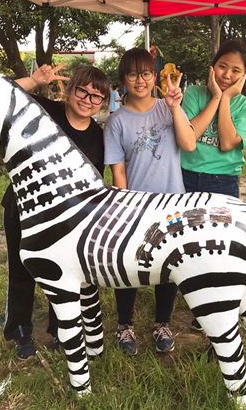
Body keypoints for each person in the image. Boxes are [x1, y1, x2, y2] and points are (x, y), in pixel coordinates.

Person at [3, 64, 109, 359]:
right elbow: (4, 93)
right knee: (22, 271)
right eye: (82, 91)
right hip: (24, 209)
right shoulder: (46, 111)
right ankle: (21, 331)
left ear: (103, 102)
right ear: (70, 88)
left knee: (64, 272)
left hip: (68, 218)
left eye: (96, 96)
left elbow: (95, 184)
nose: (87, 99)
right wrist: (36, 81)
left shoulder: (99, 136)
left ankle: (60, 330)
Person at [103, 47, 196, 355]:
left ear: (154, 77)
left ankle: (162, 323)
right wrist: (123, 208)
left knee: (168, 264)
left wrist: (174, 107)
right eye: (133, 74)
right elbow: (119, 171)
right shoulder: (116, 121)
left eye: (145, 73)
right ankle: (124, 325)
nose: (139, 80)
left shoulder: (168, 107)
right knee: (128, 265)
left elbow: (188, 144)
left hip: (172, 203)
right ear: (123, 79)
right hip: (136, 207)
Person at [179, 40, 246, 332]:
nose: (226, 75)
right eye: (222, 66)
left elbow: (227, 143)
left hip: (222, 182)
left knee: (220, 246)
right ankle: (197, 300)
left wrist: (225, 100)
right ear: (212, 66)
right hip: (186, 177)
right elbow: (189, 137)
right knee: (188, 243)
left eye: (235, 70)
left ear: (244, 76)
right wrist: (215, 97)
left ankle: (220, 305)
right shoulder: (194, 94)